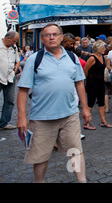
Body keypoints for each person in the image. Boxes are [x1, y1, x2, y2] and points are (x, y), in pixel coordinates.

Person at [16, 24, 91, 183]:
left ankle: (81, 181)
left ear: (61, 37)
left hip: (69, 115)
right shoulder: (34, 59)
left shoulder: (72, 58)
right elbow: (23, 90)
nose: (51, 37)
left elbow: (79, 83)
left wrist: (85, 108)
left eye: (55, 34)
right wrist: (21, 117)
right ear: (42, 39)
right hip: (42, 118)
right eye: (47, 35)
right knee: (41, 155)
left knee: (75, 151)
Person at [83, 40, 112, 129]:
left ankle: (103, 122)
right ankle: (86, 123)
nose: (104, 49)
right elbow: (85, 71)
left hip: (100, 83)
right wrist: (86, 81)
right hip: (92, 83)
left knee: (101, 103)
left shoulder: (103, 57)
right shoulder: (92, 58)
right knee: (90, 103)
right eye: (103, 48)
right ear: (98, 48)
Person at [0, 31, 21, 130]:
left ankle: (4, 123)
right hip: (0, 77)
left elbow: (18, 60)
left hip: (10, 77)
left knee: (9, 101)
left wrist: (17, 66)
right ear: (8, 38)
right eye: (14, 41)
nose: (15, 43)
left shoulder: (14, 48)